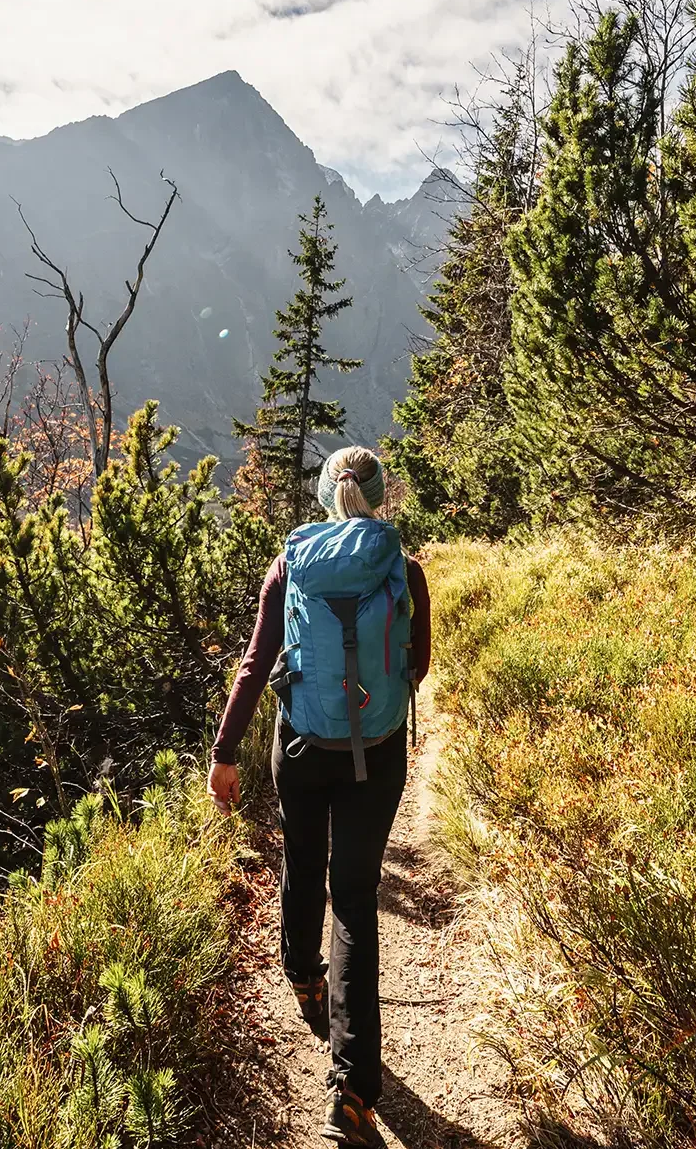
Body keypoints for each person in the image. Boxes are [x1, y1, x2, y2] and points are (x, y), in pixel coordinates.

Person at [208, 446, 429, 1148]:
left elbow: (256, 662)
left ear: (327, 494)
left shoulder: (293, 561)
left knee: (304, 861)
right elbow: (417, 665)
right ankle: (353, 1094)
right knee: (355, 898)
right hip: (378, 754)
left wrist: (222, 750)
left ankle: (303, 973)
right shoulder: (405, 568)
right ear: (380, 495)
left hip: (301, 745)